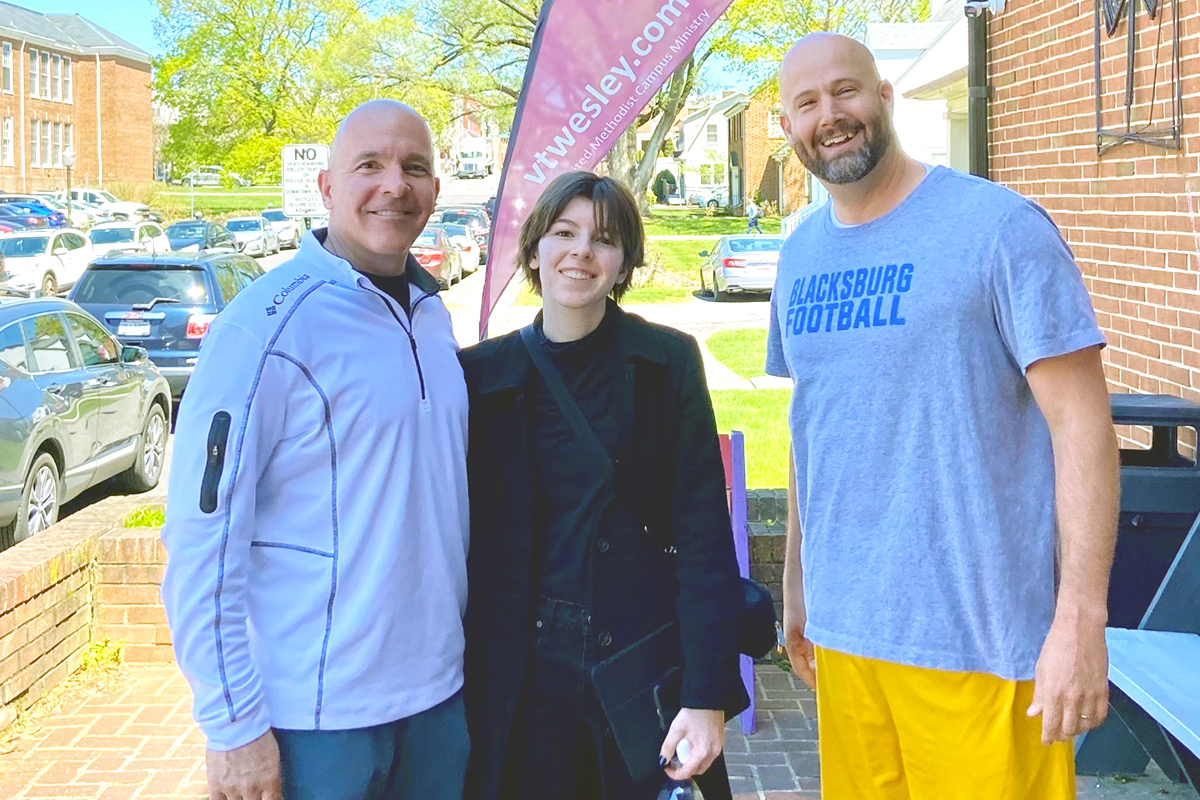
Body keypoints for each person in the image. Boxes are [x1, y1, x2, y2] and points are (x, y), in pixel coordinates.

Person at [766, 33, 1120, 800]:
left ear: (885, 98)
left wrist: (1081, 619)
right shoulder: (799, 257)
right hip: (848, 642)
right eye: (807, 103)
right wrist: (798, 581)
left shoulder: (998, 229)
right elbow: (812, 426)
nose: (830, 115)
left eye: (846, 91)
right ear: (788, 126)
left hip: (982, 644)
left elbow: (1084, 428)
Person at [160, 100, 470, 800]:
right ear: (327, 188)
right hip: (318, 720)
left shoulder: (430, 314)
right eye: (369, 165)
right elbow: (202, 538)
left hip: (438, 699)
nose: (395, 184)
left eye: (414, 168)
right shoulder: (263, 329)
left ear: (434, 193)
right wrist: (232, 723)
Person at [459, 171, 748, 800]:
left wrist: (705, 697)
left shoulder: (666, 363)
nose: (582, 252)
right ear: (535, 247)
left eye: (604, 239)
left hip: (636, 667)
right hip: (524, 672)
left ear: (624, 263)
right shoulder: (482, 376)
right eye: (564, 233)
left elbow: (702, 536)